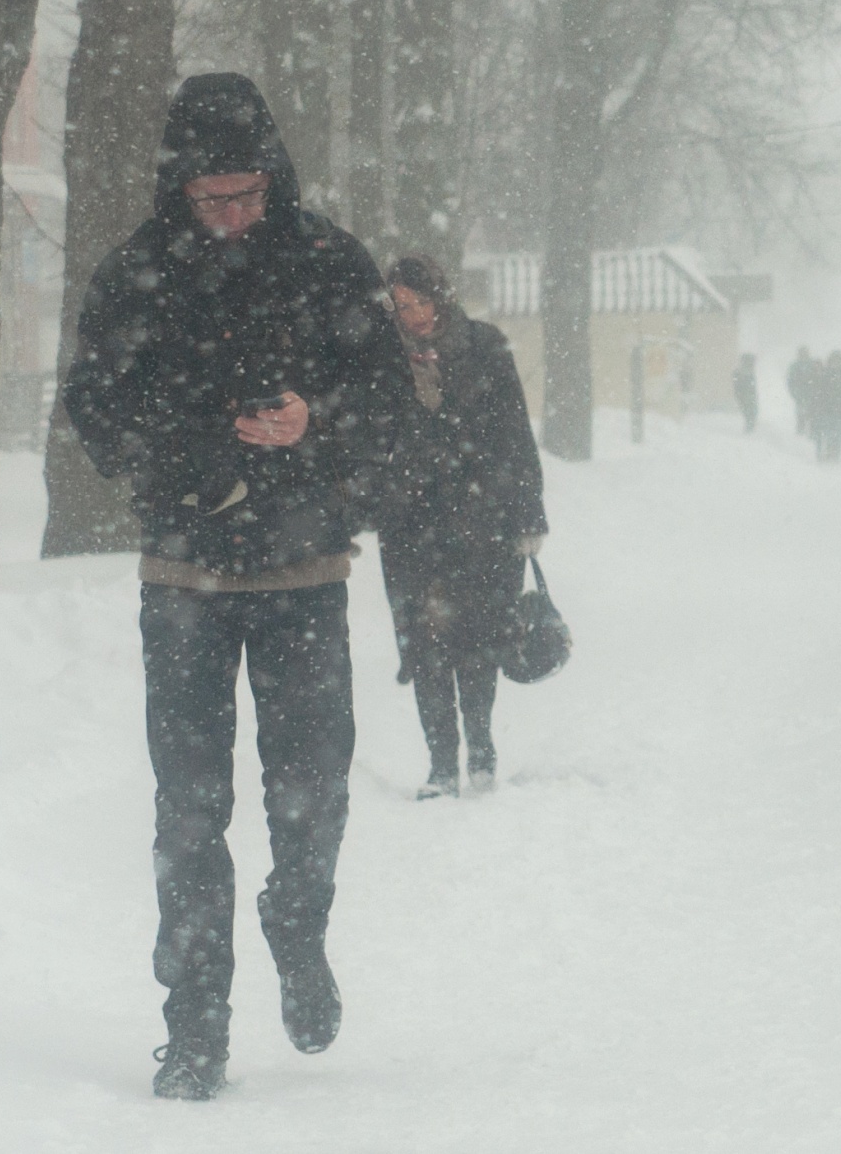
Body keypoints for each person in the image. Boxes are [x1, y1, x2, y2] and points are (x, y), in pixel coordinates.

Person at [63, 73, 407, 1102]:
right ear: (179, 187)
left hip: (304, 568)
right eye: (210, 198)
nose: (231, 216)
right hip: (184, 573)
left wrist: (316, 419)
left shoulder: (330, 262)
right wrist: (212, 440)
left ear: (274, 176)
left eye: (247, 193)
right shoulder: (135, 275)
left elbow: (390, 405)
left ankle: (296, 924)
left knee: (311, 791)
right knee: (189, 807)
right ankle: (194, 1022)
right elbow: (97, 418)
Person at [376, 255, 546, 800]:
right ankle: (441, 764)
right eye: (402, 305)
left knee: (475, 638)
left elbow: (515, 431)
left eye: (421, 302)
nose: (414, 315)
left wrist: (527, 511)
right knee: (425, 645)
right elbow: (366, 436)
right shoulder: (383, 357)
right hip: (410, 522)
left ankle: (482, 747)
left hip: (482, 518)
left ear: (441, 296)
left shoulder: (484, 346)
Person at [811, 351, 841, 462]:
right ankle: (830, 451)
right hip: (829, 408)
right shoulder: (827, 373)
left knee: (839, 433)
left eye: (837, 361)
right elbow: (820, 390)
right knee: (830, 431)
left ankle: (835, 453)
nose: (835, 363)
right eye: (834, 361)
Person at [786, 346, 815, 435]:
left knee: (812, 412)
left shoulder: (812, 364)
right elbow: (790, 381)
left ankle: (811, 430)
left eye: (805, 353)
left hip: (812, 394)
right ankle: (801, 430)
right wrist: (794, 393)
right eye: (801, 353)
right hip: (800, 394)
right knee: (800, 413)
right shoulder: (795, 366)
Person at [733, 354, 759, 433]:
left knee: (751, 413)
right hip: (746, 396)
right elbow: (739, 386)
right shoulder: (742, 372)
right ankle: (749, 431)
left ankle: (749, 430)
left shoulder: (746, 371)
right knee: (750, 414)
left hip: (748, 396)